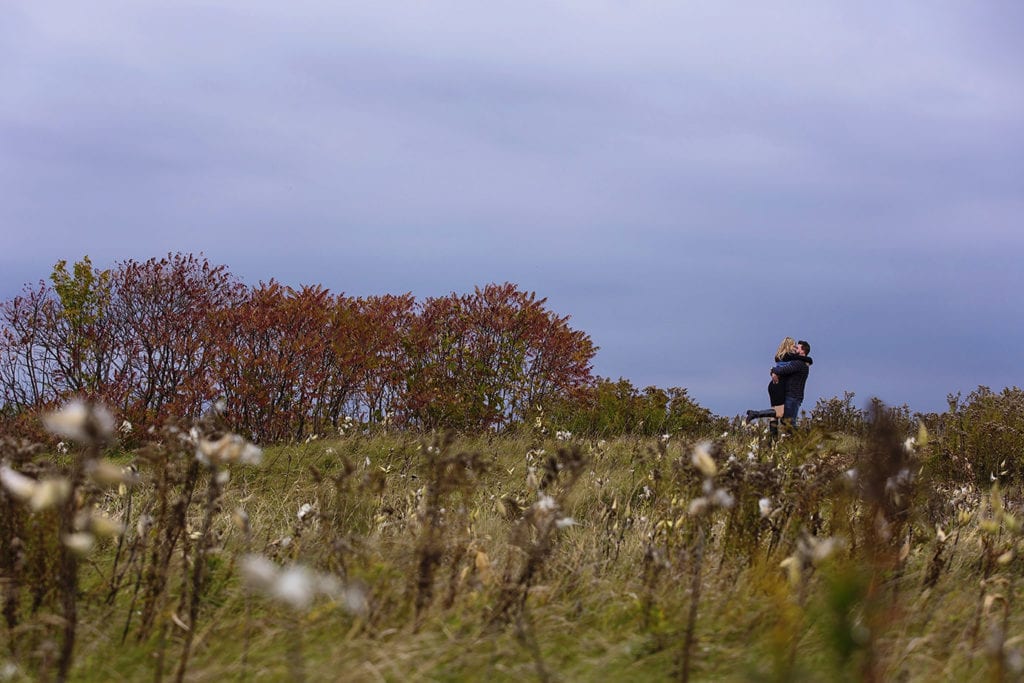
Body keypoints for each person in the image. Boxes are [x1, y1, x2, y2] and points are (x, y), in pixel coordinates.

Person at [746, 337, 799, 424]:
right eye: (794, 346)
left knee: (774, 414)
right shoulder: (789, 356)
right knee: (780, 413)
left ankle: (772, 437)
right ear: (789, 346)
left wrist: (772, 371)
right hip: (780, 385)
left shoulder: (779, 356)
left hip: (774, 385)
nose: (795, 348)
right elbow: (804, 359)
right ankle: (755, 414)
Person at [772, 340, 812, 427]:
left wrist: (772, 370)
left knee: (789, 423)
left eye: (797, 348)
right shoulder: (800, 362)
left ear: (803, 351)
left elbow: (783, 370)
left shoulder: (798, 363)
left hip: (793, 396)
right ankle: (801, 439)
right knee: (785, 421)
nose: (794, 349)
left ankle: (803, 439)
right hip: (793, 396)